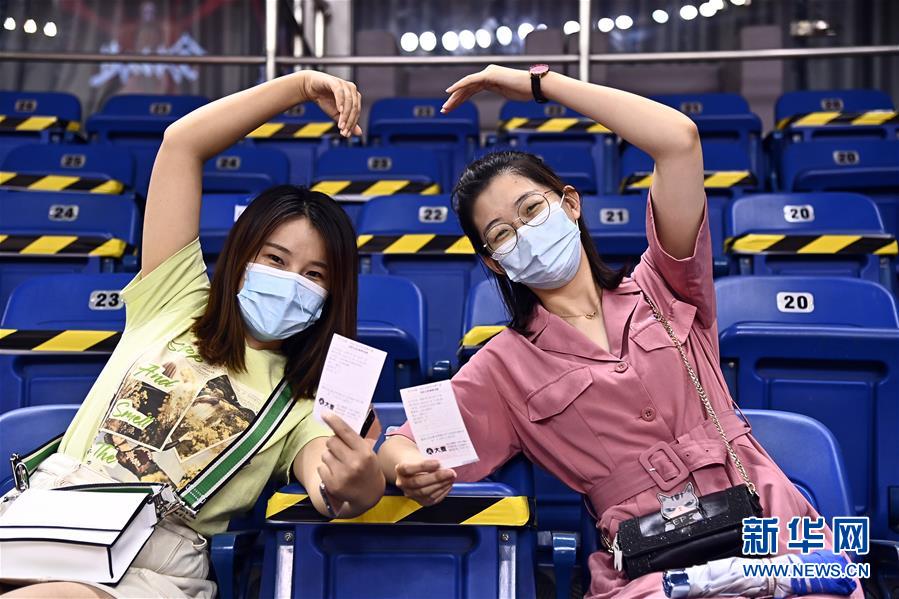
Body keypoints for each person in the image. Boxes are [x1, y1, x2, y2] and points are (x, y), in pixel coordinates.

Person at [377, 65, 863, 599]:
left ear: (570, 204)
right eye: (502, 234)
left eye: (532, 209)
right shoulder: (501, 365)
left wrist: (540, 85)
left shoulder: (666, 284)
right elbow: (402, 445)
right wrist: (407, 468)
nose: (525, 235)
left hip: (772, 531)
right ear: (495, 263)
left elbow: (678, 140)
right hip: (651, 566)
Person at [1, 70, 385, 599]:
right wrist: (297, 87)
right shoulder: (176, 300)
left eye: (314, 274)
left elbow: (331, 482)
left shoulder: (304, 402)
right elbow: (182, 143)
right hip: (47, 522)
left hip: (152, 570)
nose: (291, 281)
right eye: (275, 260)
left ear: (333, 294)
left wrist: (361, 484)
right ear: (242, 257)